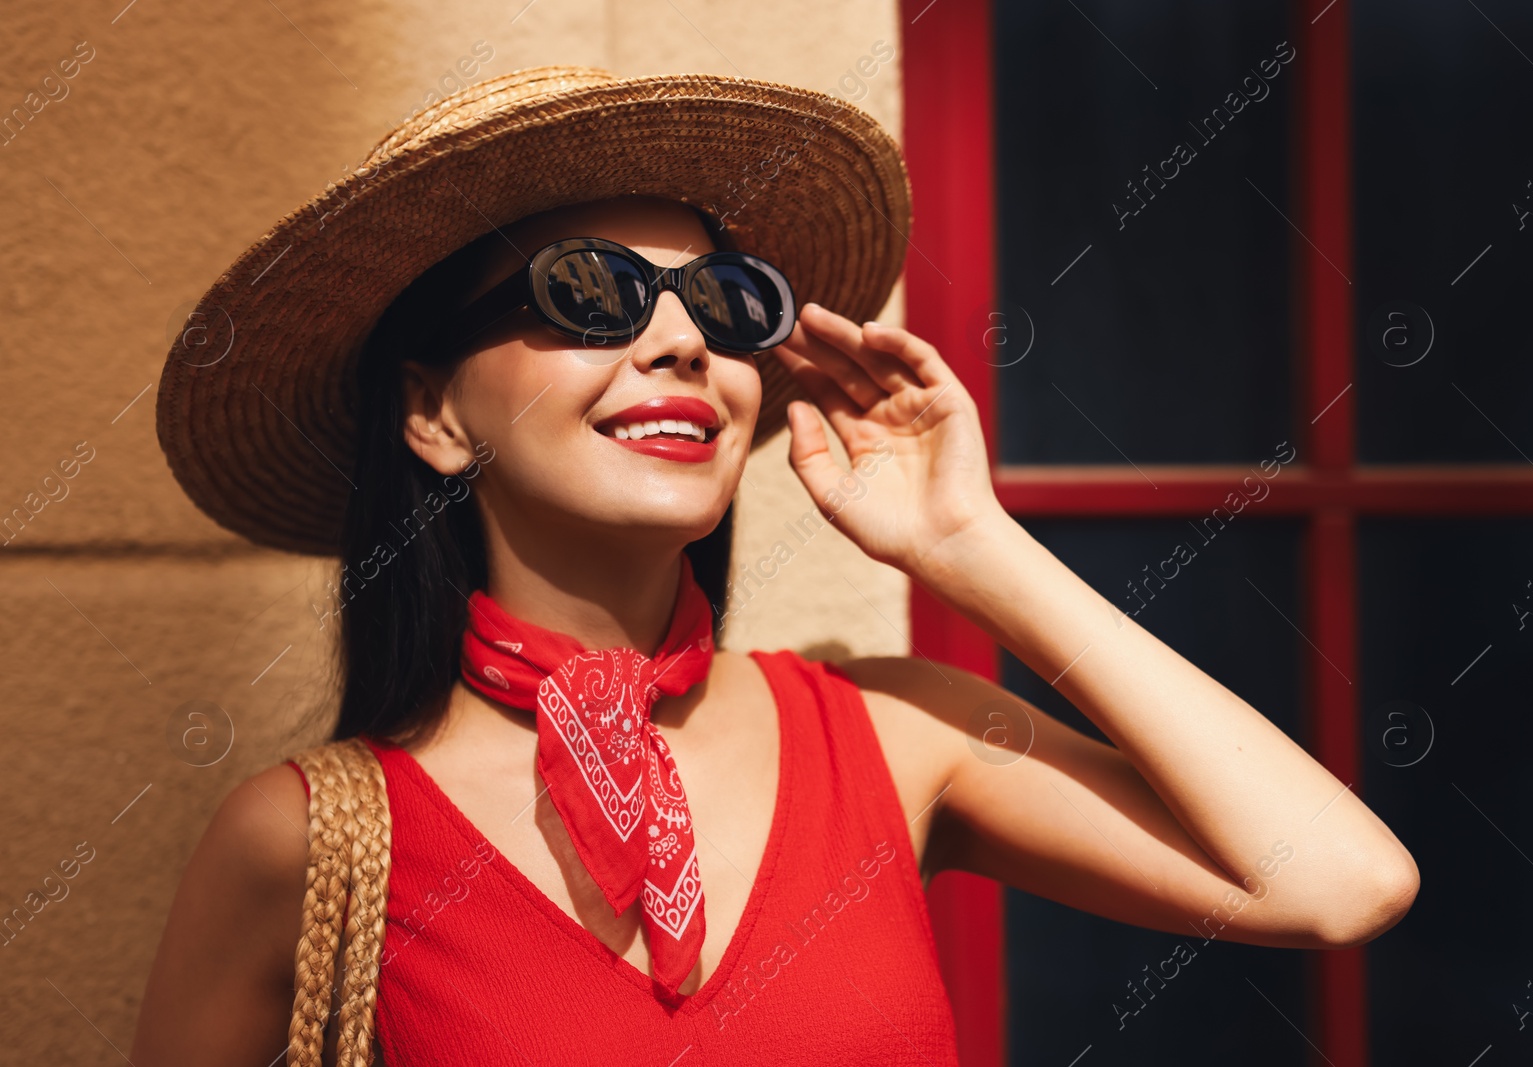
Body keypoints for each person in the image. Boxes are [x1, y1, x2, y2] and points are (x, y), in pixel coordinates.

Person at [132, 67, 1417, 1066]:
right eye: (591, 294)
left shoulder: (898, 731)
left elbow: (1338, 882)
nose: (682, 343)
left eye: (728, 303)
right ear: (434, 412)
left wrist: (969, 546)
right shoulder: (309, 841)